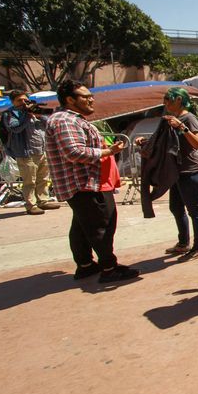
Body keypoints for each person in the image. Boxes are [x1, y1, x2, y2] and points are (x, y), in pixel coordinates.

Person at [45, 80, 138, 283]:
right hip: (86, 184)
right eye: (85, 97)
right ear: (70, 99)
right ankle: (109, 268)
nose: (91, 100)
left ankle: (86, 265)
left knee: (82, 226)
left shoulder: (68, 119)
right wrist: (108, 151)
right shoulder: (65, 120)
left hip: (86, 183)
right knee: (101, 226)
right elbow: (74, 152)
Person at [137, 88, 198, 259]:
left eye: (168, 98)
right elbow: (165, 142)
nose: (165, 102)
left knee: (194, 211)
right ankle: (183, 243)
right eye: (165, 99)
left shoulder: (188, 118)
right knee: (176, 208)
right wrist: (145, 142)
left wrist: (182, 127)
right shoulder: (169, 119)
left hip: (191, 172)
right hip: (176, 172)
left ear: (179, 100)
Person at [0, 89, 60, 215]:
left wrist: (38, 115)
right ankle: (31, 205)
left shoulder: (34, 110)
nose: (22, 102)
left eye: (24, 99)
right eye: (19, 100)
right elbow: (15, 128)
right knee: (29, 181)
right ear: (12, 102)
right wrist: (27, 115)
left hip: (42, 150)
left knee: (43, 178)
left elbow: (48, 123)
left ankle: (43, 200)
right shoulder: (11, 114)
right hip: (25, 152)